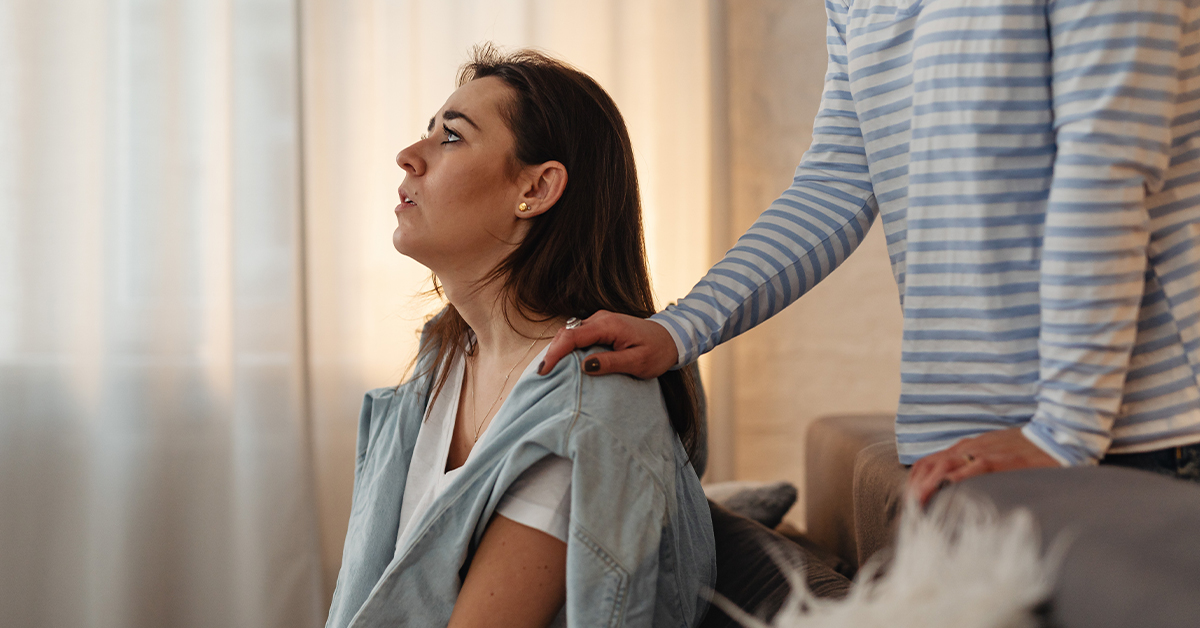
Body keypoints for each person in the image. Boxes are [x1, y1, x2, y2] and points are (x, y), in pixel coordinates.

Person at [539, 0, 1200, 503]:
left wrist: (1065, 430)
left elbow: (1107, 162)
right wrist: (678, 327)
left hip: (1143, 430)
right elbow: (836, 183)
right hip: (965, 431)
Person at [324, 46, 715, 628]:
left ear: (535, 188)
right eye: (427, 131)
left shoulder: (589, 403)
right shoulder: (444, 358)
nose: (408, 156)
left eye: (450, 138)